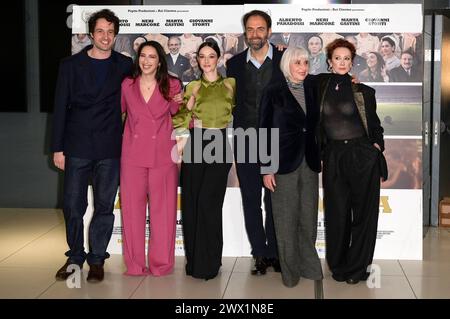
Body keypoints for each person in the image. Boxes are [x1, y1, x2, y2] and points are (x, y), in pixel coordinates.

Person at [52, 9, 133, 283]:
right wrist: (57, 148)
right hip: (76, 146)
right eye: (100, 31)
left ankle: (97, 259)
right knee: (73, 205)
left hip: (110, 147)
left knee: (104, 206)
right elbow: (60, 108)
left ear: (116, 35)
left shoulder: (125, 64)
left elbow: (146, 86)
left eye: (110, 32)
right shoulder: (70, 65)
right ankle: (75, 256)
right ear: (90, 34)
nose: (105, 36)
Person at [316, 38, 387, 285]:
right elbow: (293, 70)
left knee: (364, 215)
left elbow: (375, 125)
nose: (342, 62)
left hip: (361, 155)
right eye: (338, 58)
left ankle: (357, 269)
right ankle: (338, 266)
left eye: (347, 58)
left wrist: (376, 146)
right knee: (337, 213)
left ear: (352, 62)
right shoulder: (319, 85)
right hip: (333, 156)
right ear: (329, 61)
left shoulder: (364, 91)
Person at [259, 47, 323, 288]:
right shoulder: (273, 91)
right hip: (282, 163)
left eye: (306, 62)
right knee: (285, 220)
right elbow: (263, 131)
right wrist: (267, 167)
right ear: (287, 65)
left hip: (309, 161)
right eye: (298, 63)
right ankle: (290, 272)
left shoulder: (313, 89)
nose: (303, 67)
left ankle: (309, 265)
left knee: (308, 218)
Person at [172, 41, 235, 280]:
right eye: (202, 56)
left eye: (211, 56)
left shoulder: (231, 84)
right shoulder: (193, 87)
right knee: (192, 203)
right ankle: (196, 263)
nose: (206, 60)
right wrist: (184, 110)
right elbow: (181, 118)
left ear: (218, 58)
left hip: (219, 144)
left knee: (209, 203)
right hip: (196, 144)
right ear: (197, 60)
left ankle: (210, 262)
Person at [120, 41, 183, 276]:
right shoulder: (127, 85)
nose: (146, 61)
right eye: (143, 56)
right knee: (132, 213)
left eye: (152, 57)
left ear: (160, 62)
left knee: (164, 213)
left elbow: (180, 116)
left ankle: (162, 264)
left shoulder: (173, 85)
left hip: (163, 156)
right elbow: (120, 113)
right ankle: (135, 265)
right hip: (132, 155)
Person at [226, 10, 282, 276]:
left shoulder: (284, 58)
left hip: (275, 139)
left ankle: (275, 251)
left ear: (269, 31)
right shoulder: (234, 64)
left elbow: (305, 85)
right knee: (251, 197)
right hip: (245, 138)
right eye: (250, 29)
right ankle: (259, 253)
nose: (255, 34)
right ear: (245, 32)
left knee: (274, 198)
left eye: (261, 29)